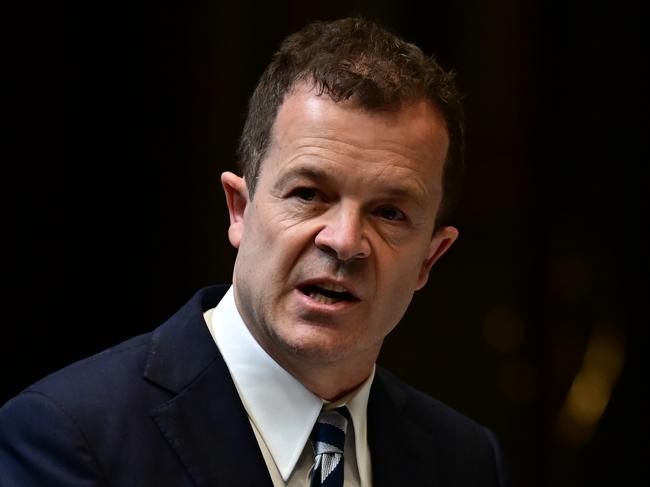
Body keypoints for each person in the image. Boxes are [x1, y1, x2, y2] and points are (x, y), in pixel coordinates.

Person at [0, 17, 511, 487]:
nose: (345, 241)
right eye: (309, 194)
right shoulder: (70, 436)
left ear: (430, 258)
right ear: (239, 209)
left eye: (390, 214)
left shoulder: (465, 461)